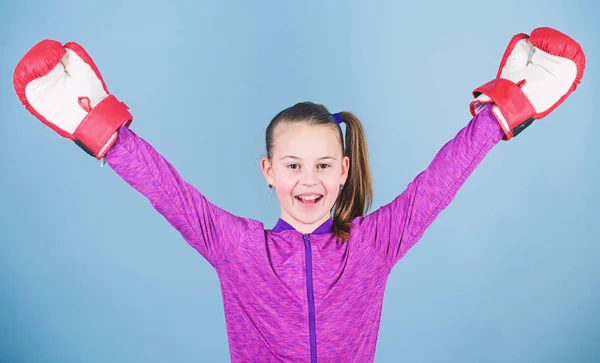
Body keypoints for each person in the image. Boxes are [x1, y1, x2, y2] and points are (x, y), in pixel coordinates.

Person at [13, 27, 585, 362]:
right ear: (268, 171)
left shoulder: (375, 243)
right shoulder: (235, 248)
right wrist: (103, 133)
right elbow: (168, 192)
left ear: (342, 172)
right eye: (292, 165)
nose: (307, 179)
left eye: (321, 165)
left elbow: (439, 183)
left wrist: (499, 116)